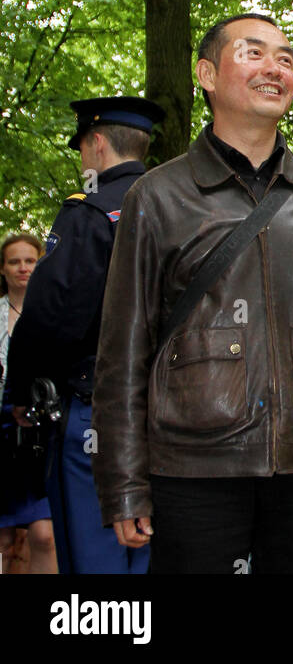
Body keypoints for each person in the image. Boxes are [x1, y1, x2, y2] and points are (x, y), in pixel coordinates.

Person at [92, 12, 293, 575]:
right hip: (193, 468)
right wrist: (124, 483)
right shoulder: (157, 195)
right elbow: (123, 349)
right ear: (206, 73)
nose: (276, 68)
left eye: (287, 59)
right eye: (253, 53)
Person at [5, 96, 164, 574]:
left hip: (99, 413)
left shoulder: (89, 213)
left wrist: (20, 390)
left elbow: (50, 318)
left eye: (81, 148)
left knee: (97, 559)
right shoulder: (181, 208)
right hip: (177, 415)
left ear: (96, 145)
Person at [0, 232, 57, 573]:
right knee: (6, 541)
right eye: (14, 261)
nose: (22, 268)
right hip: (1, 428)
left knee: (44, 534)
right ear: (3, 269)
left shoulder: (53, 312)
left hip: (39, 431)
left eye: (30, 260)